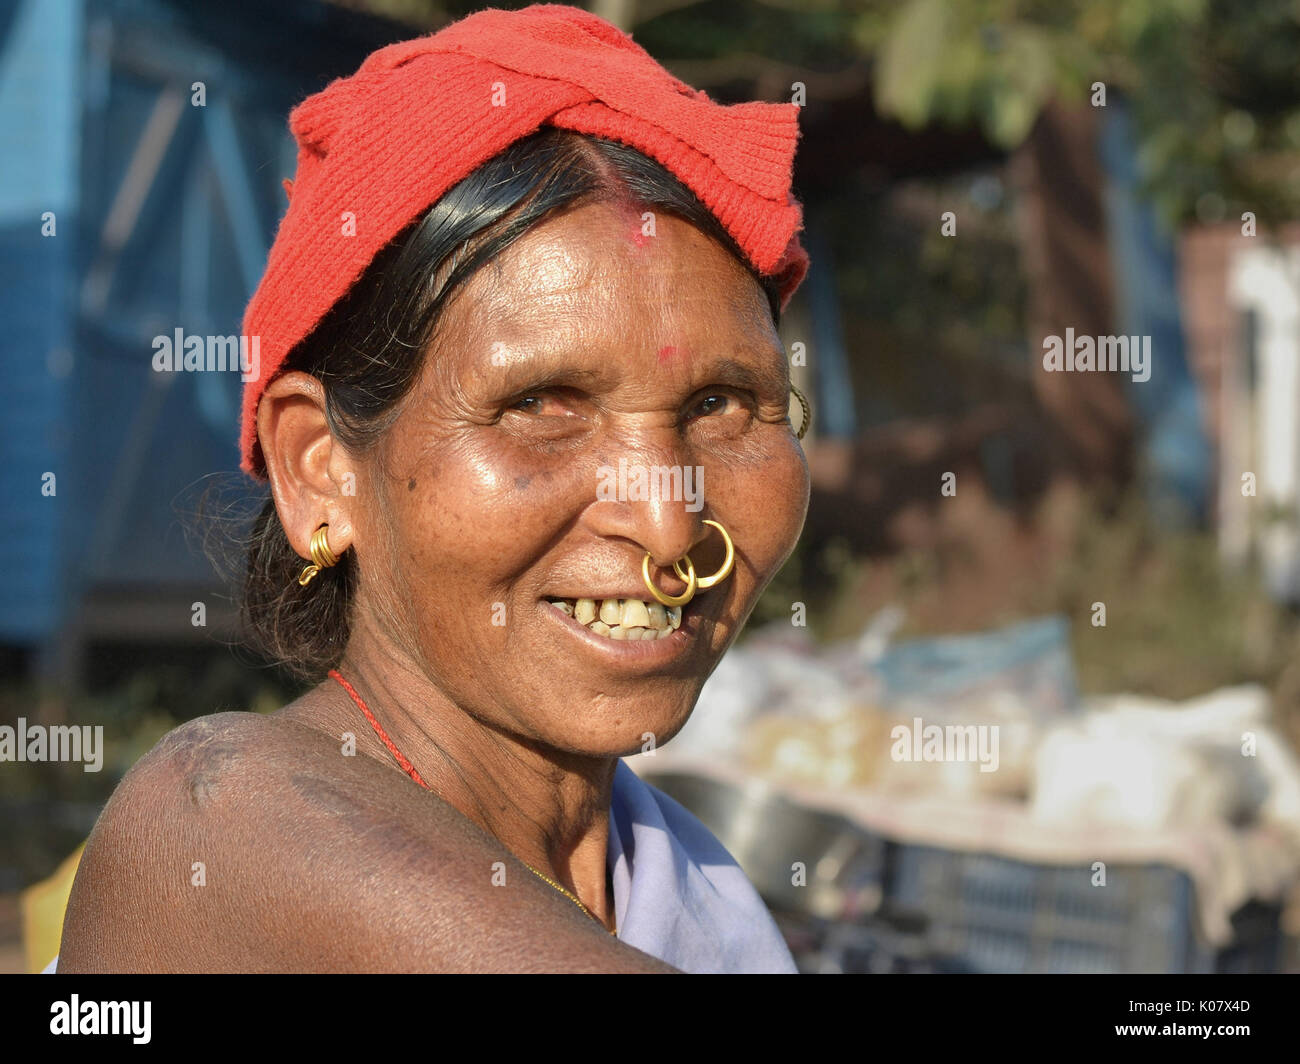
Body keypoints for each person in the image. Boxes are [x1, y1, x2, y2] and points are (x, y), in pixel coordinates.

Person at [55, 3, 812, 973]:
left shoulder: (685, 879)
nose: (668, 529)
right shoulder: (225, 818)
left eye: (722, 401)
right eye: (542, 403)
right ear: (318, 466)